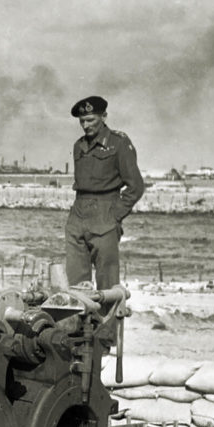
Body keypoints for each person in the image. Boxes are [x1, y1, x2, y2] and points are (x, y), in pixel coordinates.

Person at [64, 96, 144, 289]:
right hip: (78, 214)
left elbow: (136, 186)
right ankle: (80, 319)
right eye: (82, 121)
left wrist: (114, 215)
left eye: (90, 120)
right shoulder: (79, 145)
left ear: (104, 117)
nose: (85, 125)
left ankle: (107, 320)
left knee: (107, 285)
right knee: (75, 286)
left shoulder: (119, 143)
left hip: (105, 214)